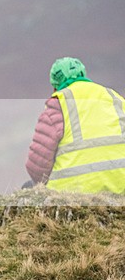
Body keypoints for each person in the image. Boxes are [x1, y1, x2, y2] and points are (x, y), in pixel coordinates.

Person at [26, 57, 125, 193]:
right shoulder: (115, 98)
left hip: (72, 192)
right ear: (83, 75)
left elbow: (38, 165)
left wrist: (41, 184)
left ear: (55, 85)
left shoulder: (58, 103)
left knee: (28, 186)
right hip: (120, 188)